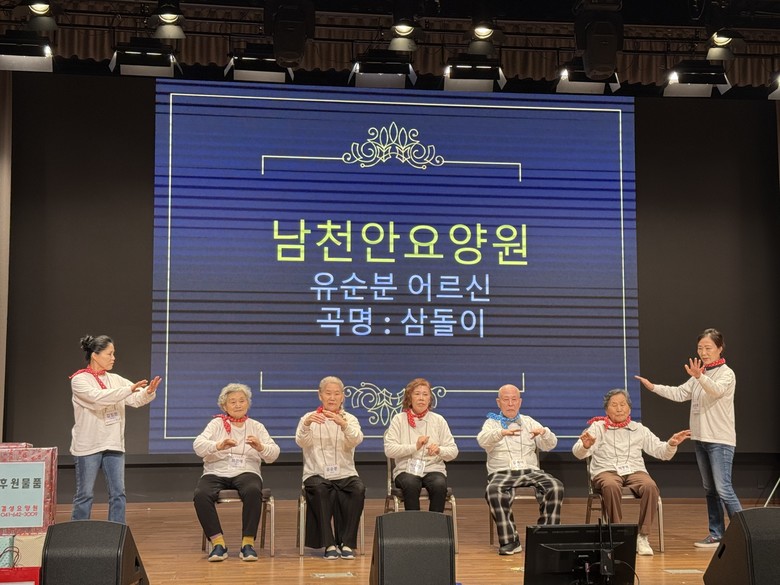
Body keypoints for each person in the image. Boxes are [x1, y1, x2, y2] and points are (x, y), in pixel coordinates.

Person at [635, 328, 740, 548]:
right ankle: (716, 534)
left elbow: (716, 391)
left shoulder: (726, 373)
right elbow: (680, 393)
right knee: (710, 490)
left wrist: (699, 376)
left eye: (708, 348)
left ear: (720, 348)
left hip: (720, 440)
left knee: (724, 489)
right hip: (701, 439)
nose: (703, 352)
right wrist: (653, 387)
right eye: (700, 348)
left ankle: (746, 532)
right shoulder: (701, 374)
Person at [572, 388, 691, 556]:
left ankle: (642, 536)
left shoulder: (638, 429)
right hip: (606, 470)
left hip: (634, 471)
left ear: (629, 408)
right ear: (606, 410)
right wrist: (585, 446)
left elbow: (661, 452)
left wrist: (671, 444)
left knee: (650, 487)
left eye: (623, 404)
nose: (619, 409)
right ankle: (617, 534)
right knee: (611, 485)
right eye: (614, 405)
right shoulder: (597, 427)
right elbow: (577, 453)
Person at [69, 334, 161, 524]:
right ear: (95, 355)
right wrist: (128, 390)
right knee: (85, 494)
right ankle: (78, 533)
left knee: (118, 493)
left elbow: (135, 399)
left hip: (113, 443)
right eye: (109, 354)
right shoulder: (79, 380)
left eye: (114, 354)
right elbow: (97, 399)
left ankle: (116, 533)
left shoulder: (116, 379)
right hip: (88, 446)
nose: (113, 358)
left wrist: (148, 392)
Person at [193, 383, 280, 562]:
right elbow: (198, 446)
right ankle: (218, 543)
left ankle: (248, 544)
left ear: (248, 403)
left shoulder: (256, 426)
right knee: (201, 494)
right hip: (216, 470)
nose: (238, 405)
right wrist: (219, 445)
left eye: (242, 401)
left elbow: (273, 454)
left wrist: (260, 447)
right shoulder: (216, 424)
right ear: (224, 406)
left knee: (253, 490)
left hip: (246, 471)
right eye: (233, 402)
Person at [477, 384, 564, 556]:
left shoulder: (529, 421)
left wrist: (544, 433)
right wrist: (501, 433)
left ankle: (545, 537)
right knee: (493, 491)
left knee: (555, 486)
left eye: (514, 399)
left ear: (520, 402)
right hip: (502, 471)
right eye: (506, 399)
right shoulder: (491, 423)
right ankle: (510, 541)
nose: (510, 403)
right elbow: (482, 441)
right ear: (498, 402)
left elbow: (550, 445)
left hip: (530, 470)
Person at [295, 376, 365, 560]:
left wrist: (344, 425)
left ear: (342, 396)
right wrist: (307, 425)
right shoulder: (309, 418)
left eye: (336, 394)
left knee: (358, 488)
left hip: (345, 473)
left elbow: (356, 440)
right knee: (320, 489)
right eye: (328, 393)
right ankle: (329, 544)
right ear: (320, 395)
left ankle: (347, 543)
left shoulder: (350, 419)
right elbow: (301, 442)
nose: (332, 398)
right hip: (316, 473)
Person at [384, 377, 458, 513]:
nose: (421, 398)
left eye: (425, 394)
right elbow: (389, 450)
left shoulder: (438, 420)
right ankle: (414, 525)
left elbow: (453, 452)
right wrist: (415, 446)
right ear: (409, 398)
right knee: (411, 483)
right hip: (406, 470)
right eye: (417, 394)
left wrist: (439, 450)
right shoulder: (399, 419)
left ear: (430, 399)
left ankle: (435, 525)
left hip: (433, 469)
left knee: (439, 484)